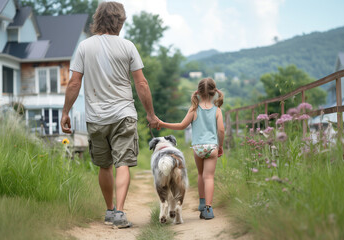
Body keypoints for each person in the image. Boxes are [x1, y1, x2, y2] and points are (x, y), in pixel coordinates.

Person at [60, 1, 159, 228]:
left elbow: (74, 82)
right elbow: (141, 84)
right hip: (124, 114)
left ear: (98, 19)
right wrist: (151, 114)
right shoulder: (128, 47)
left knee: (104, 165)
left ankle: (109, 210)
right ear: (120, 21)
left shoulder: (85, 47)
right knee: (122, 163)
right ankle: (120, 213)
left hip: (96, 117)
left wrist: (66, 112)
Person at [158, 78, 224, 220]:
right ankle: (208, 209)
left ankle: (201, 203)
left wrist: (162, 123)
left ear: (198, 92)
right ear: (214, 93)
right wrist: (221, 145)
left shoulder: (193, 109)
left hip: (198, 147)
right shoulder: (217, 110)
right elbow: (221, 131)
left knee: (201, 175)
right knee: (209, 177)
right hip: (212, 147)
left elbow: (181, 126)